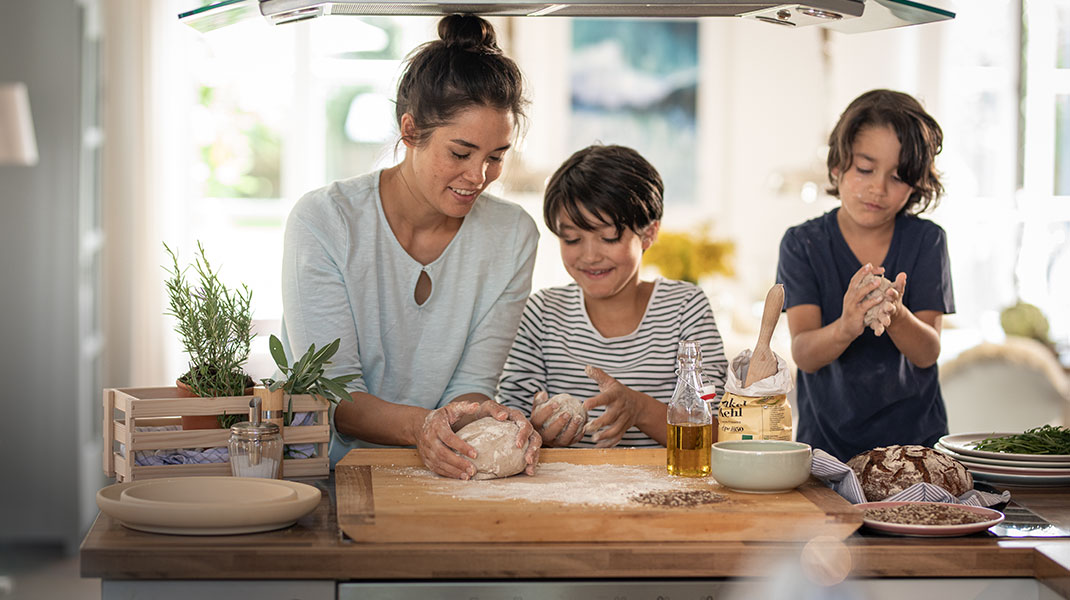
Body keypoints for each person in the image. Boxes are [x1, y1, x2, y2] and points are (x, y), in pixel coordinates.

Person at [281, 14, 540, 480]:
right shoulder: (325, 222)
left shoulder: (513, 237)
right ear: (409, 130)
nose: (478, 177)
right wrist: (421, 426)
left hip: (442, 481)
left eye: (495, 157)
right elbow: (333, 397)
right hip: (325, 481)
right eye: (461, 153)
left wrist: (500, 420)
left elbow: (471, 390)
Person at [497, 144, 727, 448]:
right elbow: (510, 420)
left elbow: (717, 432)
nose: (590, 256)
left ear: (649, 233)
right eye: (572, 239)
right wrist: (535, 429)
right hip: (566, 492)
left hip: (663, 492)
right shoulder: (543, 313)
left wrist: (639, 409)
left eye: (608, 238)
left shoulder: (685, 308)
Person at [776, 89, 954, 461]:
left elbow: (927, 352)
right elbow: (804, 353)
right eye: (865, 169)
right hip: (827, 450)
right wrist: (847, 325)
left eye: (898, 176)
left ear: (917, 183)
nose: (879, 188)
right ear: (838, 165)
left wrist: (895, 314)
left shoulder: (927, 241)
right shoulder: (803, 244)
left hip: (915, 448)